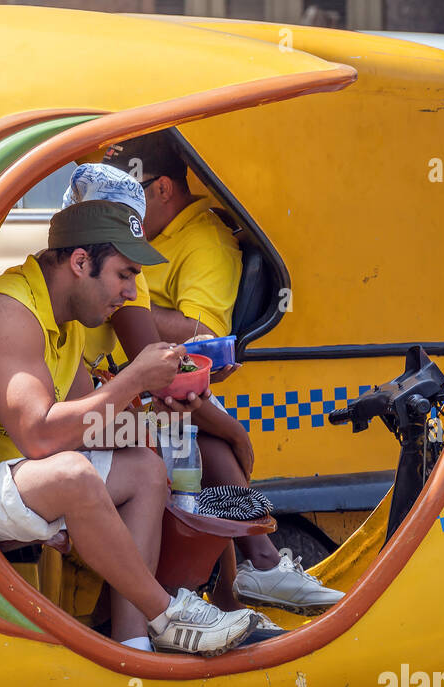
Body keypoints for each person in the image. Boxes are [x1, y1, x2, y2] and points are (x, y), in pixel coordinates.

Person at [0, 197, 260, 655]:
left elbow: (89, 424)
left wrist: (163, 412)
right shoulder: (7, 311)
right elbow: (40, 436)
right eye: (125, 274)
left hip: (12, 476)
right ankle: (168, 615)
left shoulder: (64, 319)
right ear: (80, 262)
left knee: (144, 469)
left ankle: (134, 647)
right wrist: (134, 377)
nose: (132, 293)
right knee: (72, 475)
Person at [104, 133, 344, 614]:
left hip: (153, 395)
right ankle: (255, 570)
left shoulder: (198, 244)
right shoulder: (120, 253)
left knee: (193, 431)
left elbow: (199, 343)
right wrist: (232, 430)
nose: (123, 210)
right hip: (124, 398)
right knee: (204, 433)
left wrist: (138, 306)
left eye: (130, 195)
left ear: (163, 189)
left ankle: (249, 576)